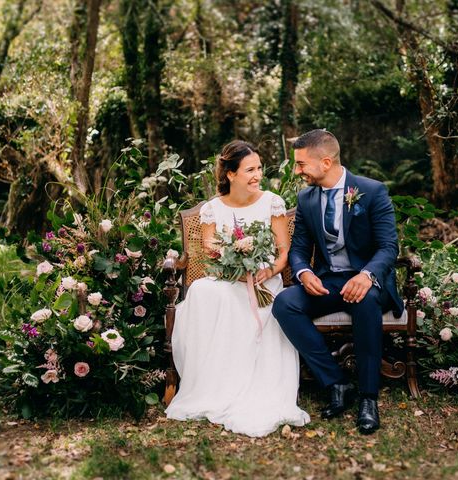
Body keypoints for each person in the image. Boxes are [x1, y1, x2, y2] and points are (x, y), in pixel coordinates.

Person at [165, 140, 310, 437]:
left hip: (263, 278)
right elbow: (210, 250)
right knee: (205, 292)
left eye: (259, 168)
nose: (257, 175)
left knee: (251, 300)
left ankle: (257, 385)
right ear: (230, 174)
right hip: (227, 276)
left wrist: (266, 269)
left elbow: (283, 252)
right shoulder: (212, 209)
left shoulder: (272, 202)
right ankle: (216, 384)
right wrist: (234, 262)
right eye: (250, 170)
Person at [272, 129, 403, 435]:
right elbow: (300, 248)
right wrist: (304, 273)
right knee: (285, 303)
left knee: (366, 299)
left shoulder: (372, 191)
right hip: (330, 281)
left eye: (301, 164)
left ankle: (368, 398)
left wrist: (366, 275)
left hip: (370, 279)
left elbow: (388, 247)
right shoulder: (306, 198)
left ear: (326, 162)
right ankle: (337, 382)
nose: (297, 171)